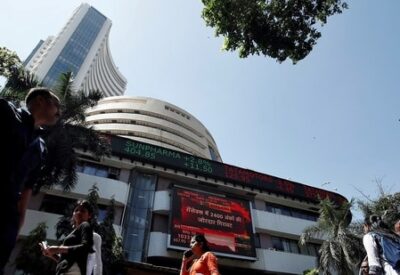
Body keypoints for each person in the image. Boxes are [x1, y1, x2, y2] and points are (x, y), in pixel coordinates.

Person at [0, 87, 61, 273]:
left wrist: (20, 220)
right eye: (56, 105)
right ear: (40, 100)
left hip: (7, 213)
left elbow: (27, 187)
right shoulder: (6, 112)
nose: (59, 112)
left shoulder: (41, 147)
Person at [41, 200, 94, 275]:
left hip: (75, 271)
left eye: (83, 211)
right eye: (76, 210)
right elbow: (68, 260)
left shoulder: (85, 225)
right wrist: (52, 255)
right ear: (73, 214)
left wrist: (57, 249)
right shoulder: (74, 232)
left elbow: (86, 247)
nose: (79, 212)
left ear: (89, 215)